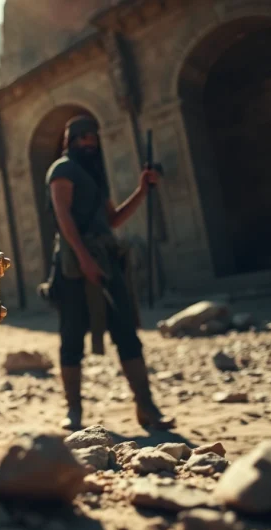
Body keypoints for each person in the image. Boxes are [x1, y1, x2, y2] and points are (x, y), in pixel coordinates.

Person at [45, 115, 175, 431]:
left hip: (106, 259)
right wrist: (84, 258)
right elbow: (64, 218)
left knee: (126, 331)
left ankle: (146, 407)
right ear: (72, 139)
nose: (90, 142)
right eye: (84, 137)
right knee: (72, 335)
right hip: (74, 264)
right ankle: (73, 411)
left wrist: (142, 190)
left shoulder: (94, 174)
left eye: (94, 137)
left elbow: (113, 219)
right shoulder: (61, 169)